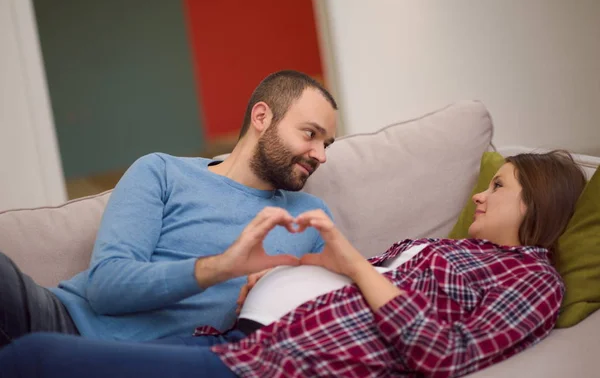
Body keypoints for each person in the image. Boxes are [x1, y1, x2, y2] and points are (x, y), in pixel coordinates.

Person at [0, 150, 587, 377]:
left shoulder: (533, 280)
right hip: (239, 343)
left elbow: (446, 354)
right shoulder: (449, 251)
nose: (481, 195)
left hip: (284, 367)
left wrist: (353, 264)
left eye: (499, 186)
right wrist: (275, 275)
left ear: (535, 202)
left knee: (30, 357)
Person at [0, 70, 338, 345]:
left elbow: (340, 311)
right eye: (310, 134)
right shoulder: (162, 172)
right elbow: (106, 287)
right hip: (60, 323)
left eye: (326, 144)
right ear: (262, 117)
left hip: (161, 362)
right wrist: (221, 267)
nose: (320, 155)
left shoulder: (311, 218)